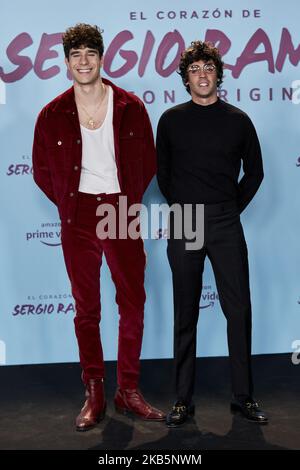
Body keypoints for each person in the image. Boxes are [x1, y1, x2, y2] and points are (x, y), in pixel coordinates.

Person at [32, 23, 165, 431]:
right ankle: (94, 392)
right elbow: (41, 171)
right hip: (79, 216)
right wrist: (73, 202)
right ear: (67, 62)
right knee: (86, 308)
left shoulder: (130, 105)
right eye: (76, 55)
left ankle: (129, 390)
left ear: (102, 57)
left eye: (91, 53)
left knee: (133, 302)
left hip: (121, 209)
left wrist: (128, 206)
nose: (84, 61)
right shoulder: (52, 114)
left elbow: (147, 164)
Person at [156, 41, 268, 427]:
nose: (201, 74)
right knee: (185, 312)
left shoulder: (238, 119)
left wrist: (228, 207)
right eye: (194, 69)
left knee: (238, 310)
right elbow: (164, 174)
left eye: (208, 68)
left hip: (224, 221)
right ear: (185, 78)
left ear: (218, 74)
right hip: (185, 219)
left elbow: (255, 172)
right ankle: (183, 400)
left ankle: (244, 397)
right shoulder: (170, 120)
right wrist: (186, 206)